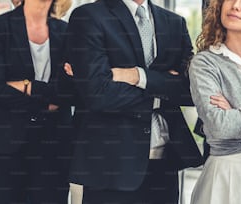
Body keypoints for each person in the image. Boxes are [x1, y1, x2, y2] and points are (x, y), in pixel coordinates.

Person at [66, 0, 203, 203]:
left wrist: (138, 76)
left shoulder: (174, 23)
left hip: (165, 163)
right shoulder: (88, 16)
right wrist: (163, 89)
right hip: (111, 166)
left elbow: (190, 91)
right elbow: (98, 94)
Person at [0, 0, 74, 203]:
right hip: (5, 147)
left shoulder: (66, 31)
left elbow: (70, 93)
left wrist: (26, 86)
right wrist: (45, 101)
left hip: (53, 148)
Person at [189, 0, 241, 203]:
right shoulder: (205, 63)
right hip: (226, 179)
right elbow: (218, 125)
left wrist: (237, 113)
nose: (236, 5)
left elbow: (229, 122)